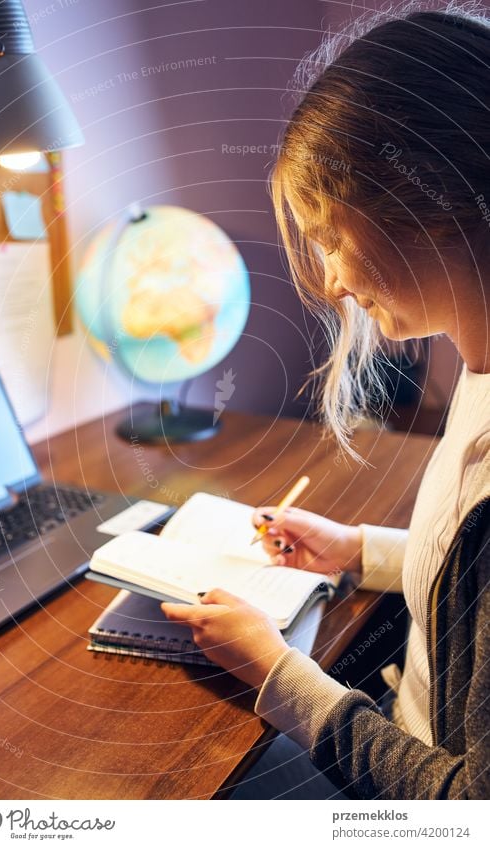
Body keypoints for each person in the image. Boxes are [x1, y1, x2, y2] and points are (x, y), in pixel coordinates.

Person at [162, 1, 490, 799]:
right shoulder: (476, 369)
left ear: (431, 205)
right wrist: (358, 549)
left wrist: (280, 673)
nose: (335, 280)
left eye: (332, 237)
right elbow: (470, 580)